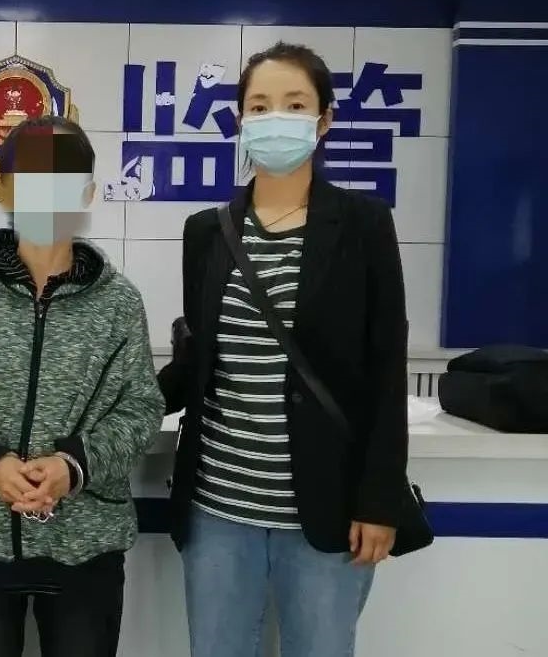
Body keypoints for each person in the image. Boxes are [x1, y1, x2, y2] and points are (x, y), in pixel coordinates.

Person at [159, 42, 409, 657]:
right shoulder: (206, 232)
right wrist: (108, 401)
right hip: (218, 503)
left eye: (295, 105)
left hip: (328, 506)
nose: (277, 118)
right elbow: (199, 360)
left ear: (324, 121)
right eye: (260, 105)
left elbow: (385, 368)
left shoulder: (364, 224)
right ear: (241, 121)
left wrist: (379, 499)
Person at [0, 116, 165, 657]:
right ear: (4, 189)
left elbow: (140, 408)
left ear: (87, 193)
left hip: (86, 542)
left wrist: (73, 465)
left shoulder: (120, 303)